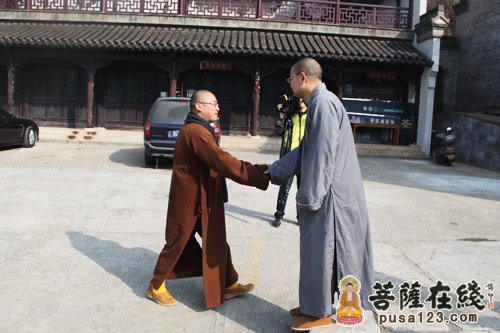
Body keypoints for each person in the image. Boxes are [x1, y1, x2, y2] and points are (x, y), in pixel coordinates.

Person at [267, 58, 374, 331]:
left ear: (302, 77)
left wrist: (310, 197)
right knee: (316, 253)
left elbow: (323, 155)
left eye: (290, 79)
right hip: (329, 192)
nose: (289, 84)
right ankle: (314, 305)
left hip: (330, 195)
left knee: (321, 254)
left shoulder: (323, 103)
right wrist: (275, 171)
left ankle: (319, 312)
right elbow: (305, 150)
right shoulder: (319, 102)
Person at [147, 90, 270, 309]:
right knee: (177, 242)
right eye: (213, 104)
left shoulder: (202, 129)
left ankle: (228, 283)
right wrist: (256, 173)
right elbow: (222, 161)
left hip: (204, 200)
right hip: (190, 200)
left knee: (216, 241)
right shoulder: (195, 132)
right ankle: (156, 286)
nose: (218, 108)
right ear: (198, 107)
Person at [273, 98, 307, 227]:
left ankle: (301, 217)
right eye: (300, 100)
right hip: (290, 156)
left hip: (305, 157)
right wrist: (282, 115)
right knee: (284, 188)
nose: (301, 101)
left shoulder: (311, 116)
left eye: (304, 100)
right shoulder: (290, 115)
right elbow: (280, 131)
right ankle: (279, 214)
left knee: (302, 189)